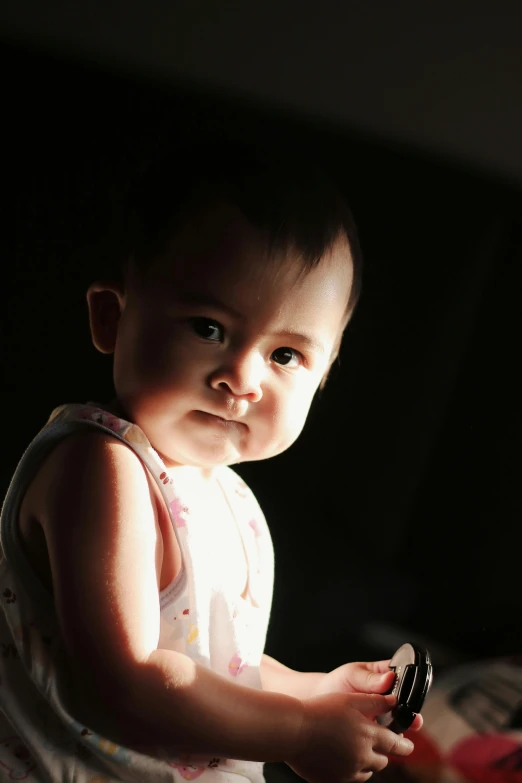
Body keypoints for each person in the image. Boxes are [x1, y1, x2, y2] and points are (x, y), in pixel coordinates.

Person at [0, 139, 420, 783]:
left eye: (285, 356)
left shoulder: (226, 498)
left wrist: (313, 695)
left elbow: (219, 666)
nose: (242, 377)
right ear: (112, 319)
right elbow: (127, 676)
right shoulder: (100, 467)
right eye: (208, 327)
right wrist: (298, 732)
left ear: (326, 375)